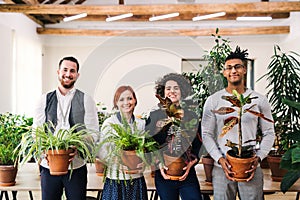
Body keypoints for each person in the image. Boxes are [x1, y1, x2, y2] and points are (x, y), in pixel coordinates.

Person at [201, 47, 275, 200]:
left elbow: (269, 132)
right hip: (221, 167)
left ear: (245, 70)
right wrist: (220, 160)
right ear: (224, 72)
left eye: (237, 66)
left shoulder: (258, 100)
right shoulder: (213, 100)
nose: (233, 70)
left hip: (250, 167)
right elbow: (207, 134)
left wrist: (259, 157)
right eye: (229, 67)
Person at [33, 56, 99, 200]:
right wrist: (44, 151)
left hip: (76, 166)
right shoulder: (44, 99)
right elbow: (36, 132)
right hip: (49, 165)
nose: (68, 74)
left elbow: (94, 132)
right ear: (58, 72)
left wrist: (78, 146)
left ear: (77, 75)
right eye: (65, 70)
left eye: (72, 71)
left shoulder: (86, 99)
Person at [145, 73, 202, 200]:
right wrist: (158, 163)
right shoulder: (155, 116)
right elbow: (148, 143)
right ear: (163, 92)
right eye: (168, 88)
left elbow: (198, 143)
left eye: (176, 88)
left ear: (182, 91)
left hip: (187, 172)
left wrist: (192, 163)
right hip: (164, 172)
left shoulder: (190, 116)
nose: (172, 91)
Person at [99, 85, 148, 200]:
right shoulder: (109, 123)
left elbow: (145, 150)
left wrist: (144, 161)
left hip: (136, 179)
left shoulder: (141, 124)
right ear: (116, 103)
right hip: (116, 180)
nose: (126, 102)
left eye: (130, 98)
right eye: (121, 99)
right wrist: (118, 159)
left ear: (135, 101)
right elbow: (102, 152)